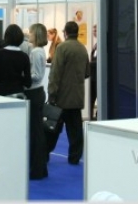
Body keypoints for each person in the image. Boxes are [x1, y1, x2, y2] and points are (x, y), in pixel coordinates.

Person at [47, 21, 90, 165]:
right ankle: (75, 157)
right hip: (76, 96)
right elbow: (87, 72)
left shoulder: (62, 48)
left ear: (65, 32)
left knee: (52, 129)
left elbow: (55, 73)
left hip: (61, 97)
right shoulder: (82, 49)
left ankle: (44, 154)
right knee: (76, 130)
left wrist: (51, 93)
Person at [25, 23, 49, 179]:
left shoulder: (35, 52)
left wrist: (23, 75)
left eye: (31, 32)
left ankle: (37, 168)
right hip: (37, 92)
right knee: (37, 131)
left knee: (36, 133)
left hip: (34, 92)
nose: (29, 34)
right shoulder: (39, 51)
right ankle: (39, 167)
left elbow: (36, 75)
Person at [0, 24, 32, 96]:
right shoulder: (24, 57)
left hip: (1, 92)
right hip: (18, 92)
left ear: (6, 37)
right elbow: (28, 83)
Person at [89, 24, 98, 120]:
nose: (94, 33)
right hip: (93, 76)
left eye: (95, 31)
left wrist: (89, 63)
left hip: (97, 77)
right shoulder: (96, 44)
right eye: (93, 31)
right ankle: (91, 116)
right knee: (91, 98)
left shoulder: (100, 45)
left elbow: (98, 61)